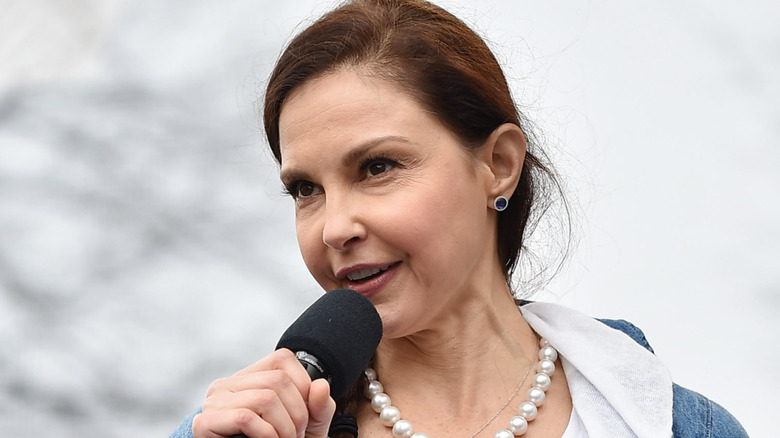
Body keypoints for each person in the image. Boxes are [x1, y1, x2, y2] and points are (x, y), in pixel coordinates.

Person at [170, 0, 748, 437]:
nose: (334, 227)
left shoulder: (675, 424)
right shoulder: (242, 430)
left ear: (498, 165)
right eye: (305, 189)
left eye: (377, 167)